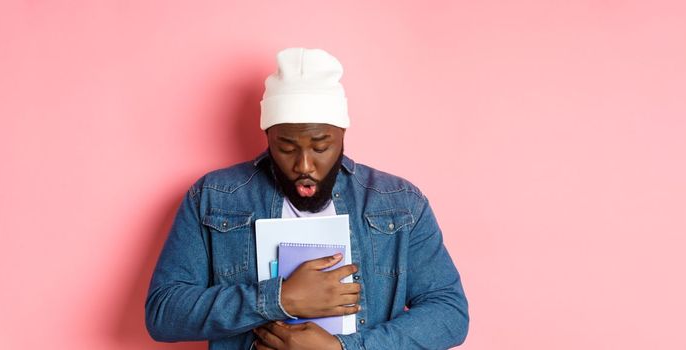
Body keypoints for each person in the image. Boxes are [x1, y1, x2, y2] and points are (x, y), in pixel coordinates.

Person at [146, 47, 469, 349]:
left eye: (320, 146)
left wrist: (344, 348)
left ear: (342, 135)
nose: (303, 166)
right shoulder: (214, 196)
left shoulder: (398, 202)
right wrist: (279, 299)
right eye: (286, 148)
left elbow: (449, 313)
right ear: (267, 137)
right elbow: (164, 314)